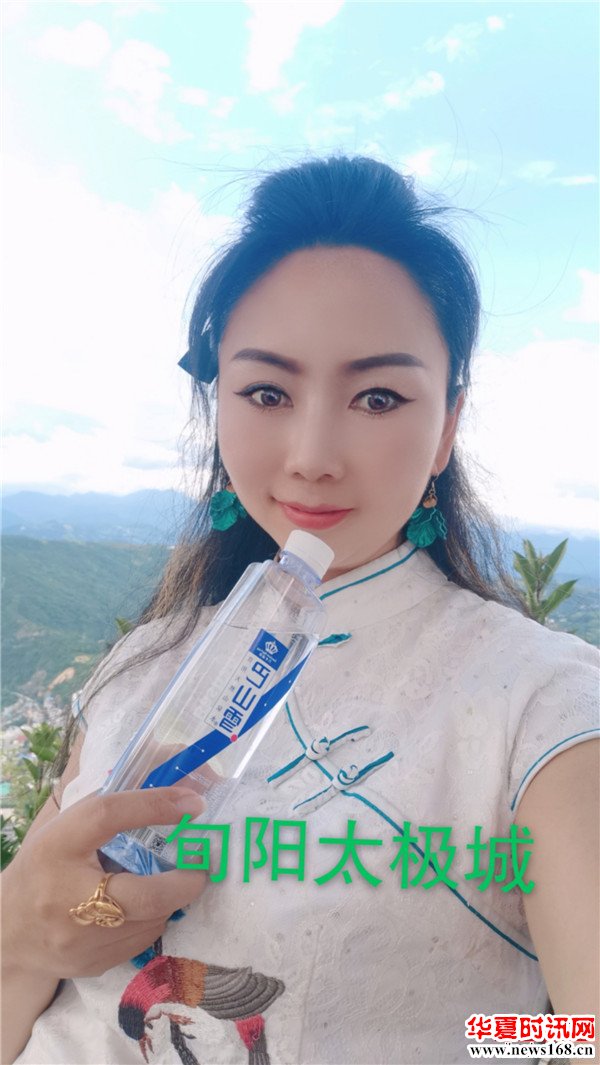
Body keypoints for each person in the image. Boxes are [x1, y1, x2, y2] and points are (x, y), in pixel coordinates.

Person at [2, 154, 598, 1065]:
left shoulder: (540, 703)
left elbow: (580, 1036)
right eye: (267, 392)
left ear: (446, 426)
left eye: (378, 396)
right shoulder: (145, 662)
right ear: (219, 407)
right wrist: (18, 934)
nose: (313, 454)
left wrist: (445, 1042)